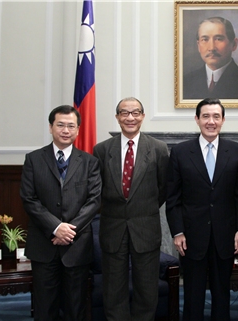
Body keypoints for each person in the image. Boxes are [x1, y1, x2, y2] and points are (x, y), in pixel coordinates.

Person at [166, 98, 238, 321]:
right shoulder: (181, 152)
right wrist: (178, 231)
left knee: (222, 293)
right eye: (205, 116)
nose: (210, 122)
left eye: (216, 117)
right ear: (197, 119)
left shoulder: (236, 151)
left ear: (223, 120)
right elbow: (173, 198)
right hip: (191, 236)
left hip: (226, 235)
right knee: (192, 294)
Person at [20, 105, 101, 321]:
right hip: (43, 246)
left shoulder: (90, 162)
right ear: (51, 127)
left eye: (71, 126)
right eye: (60, 125)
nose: (65, 130)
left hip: (76, 247)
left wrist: (68, 231)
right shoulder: (34, 159)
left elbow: (94, 200)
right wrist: (56, 227)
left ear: (77, 130)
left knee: (76, 308)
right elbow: (29, 199)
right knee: (45, 307)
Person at [92, 97, 169, 321]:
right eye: (124, 113)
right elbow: (98, 189)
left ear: (143, 117)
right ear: (117, 118)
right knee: (113, 289)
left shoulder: (158, 149)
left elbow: (162, 189)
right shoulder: (102, 150)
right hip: (112, 228)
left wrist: (142, 209)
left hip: (145, 228)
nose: (130, 117)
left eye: (135, 113)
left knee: (147, 289)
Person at [183, 16, 238, 100]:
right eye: (205, 39)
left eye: (219, 39)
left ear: (234, 44)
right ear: (198, 46)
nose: (211, 48)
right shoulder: (185, 82)